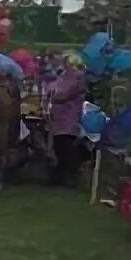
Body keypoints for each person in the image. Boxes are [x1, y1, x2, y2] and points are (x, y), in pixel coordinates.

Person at [47, 53, 86, 188]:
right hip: (59, 116)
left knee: (66, 147)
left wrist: (53, 92)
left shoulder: (77, 77)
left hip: (68, 116)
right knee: (59, 146)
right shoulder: (65, 75)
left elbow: (61, 93)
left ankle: (71, 178)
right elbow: (53, 88)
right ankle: (61, 176)